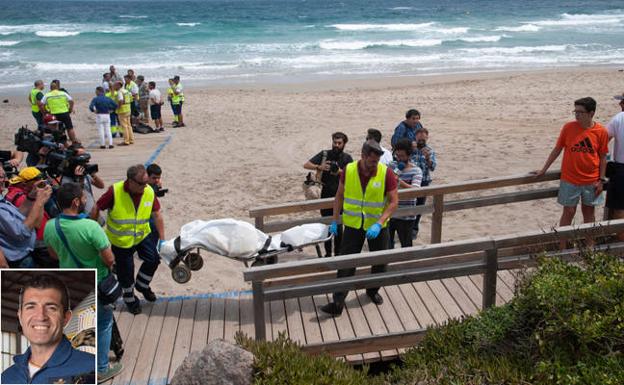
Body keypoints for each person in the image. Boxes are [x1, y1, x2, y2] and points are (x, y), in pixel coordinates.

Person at [43, 183, 123, 383]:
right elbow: (109, 259)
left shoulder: (51, 226)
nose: (86, 200)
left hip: (70, 282)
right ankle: (101, 368)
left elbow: (53, 254)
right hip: (96, 281)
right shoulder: (90, 227)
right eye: (84, 197)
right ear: (76, 202)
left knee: (78, 326)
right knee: (103, 323)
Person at [320, 140, 399, 316]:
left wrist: (379, 223)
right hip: (353, 226)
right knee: (346, 263)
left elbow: (394, 202)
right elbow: (339, 196)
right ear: (363, 156)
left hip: (377, 226)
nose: (374, 165)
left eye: (377, 161)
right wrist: (334, 220)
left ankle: (372, 291)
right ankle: (338, 302)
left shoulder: (386, 173)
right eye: (372, 161)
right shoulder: (348, 170)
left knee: (380, 262)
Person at [533, 97, 609, 248]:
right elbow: (557, 149)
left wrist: (601, 179)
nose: (577, 115)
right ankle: (563, 247)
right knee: (568, 211)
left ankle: (589, 246)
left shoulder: (601, 131)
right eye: (575, 111)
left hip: (591, 180)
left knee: (589, 213)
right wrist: (544, 169)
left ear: (591, 113)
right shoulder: (568, 128)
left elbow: (603, 157)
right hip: (570, 179)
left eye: (580, 112)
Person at [92, 164, 165, 314]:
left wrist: (162, 240)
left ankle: (142, 285)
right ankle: (129, 297)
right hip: (121, 240)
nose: (145, 186)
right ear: (130, 181)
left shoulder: (149, 191)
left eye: (146, 183)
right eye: (141, 183)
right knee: (126, 271)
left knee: (154, 259)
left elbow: (157, 214)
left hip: (141, 235)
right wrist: (94, 228)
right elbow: (97, 207)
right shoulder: (115, 191)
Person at [1, 274, 95, 384]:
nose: (41, 316)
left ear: (66, 318)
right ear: (20, 317)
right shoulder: (7, 377)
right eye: (31, 307)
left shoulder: (89, 368)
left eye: (51, 308)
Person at [303, 132, 353, 257]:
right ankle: (327, 253)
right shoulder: (325, 154)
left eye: (339, 143)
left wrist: (340, 172)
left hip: (341, 196)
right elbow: (306, 165)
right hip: (325, 195)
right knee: (326, 225)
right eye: (334, 142)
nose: (336, 145)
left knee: (339, 226)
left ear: (344, 144)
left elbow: (352, 176)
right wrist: (319, 166)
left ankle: (338, 252)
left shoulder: (347, 158)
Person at [0, 167, 51, 268]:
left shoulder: (8, 195)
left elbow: (18, 216)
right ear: (25, 183)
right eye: (1, 177)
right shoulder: (19, 198)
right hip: (20, 260)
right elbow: (23, 231)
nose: (5, 180)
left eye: (4, 176)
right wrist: (39, 201)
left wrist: (31, 197)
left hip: (26, 252)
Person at [388, 138, 422, 248]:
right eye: (397, 155)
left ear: (409, 155)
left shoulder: (416, 170)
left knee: (406, 244)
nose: (399, 159)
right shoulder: (391, 166)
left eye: (402, 156)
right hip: (389, 212)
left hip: (406, 214)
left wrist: (400, 182)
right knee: (387, 245)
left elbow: (415, 191)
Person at [60, 145, 106, 222]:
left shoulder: (85, 172)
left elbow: (101, 185)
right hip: (81, 219)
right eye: (81, 156)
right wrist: (79, 180)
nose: (84, 159)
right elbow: (75, 198)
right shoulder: (66, 179)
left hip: (93, 216)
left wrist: (92, 174)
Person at [411, 127, 436, 238]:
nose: (421, 140)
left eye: (423, 138)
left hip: (424, 182)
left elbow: (432, 168)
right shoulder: (410, 149)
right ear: (415, 137)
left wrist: (427, 158)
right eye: (419, 137)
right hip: (410, 181)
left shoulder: (429, 151)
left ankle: (414, 229)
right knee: (409, 204)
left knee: (420, 205)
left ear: (427, 138)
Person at [606, 93, 624, 240]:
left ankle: (621, 246)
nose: (620, 104)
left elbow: (603, 140)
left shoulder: (619, 119)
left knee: (620, 208)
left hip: (621, 168)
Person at [113, 81, 134, 146]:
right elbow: (131, 99)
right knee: (129, 125)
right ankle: (131, 139)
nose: (114, 87)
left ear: (119, 85)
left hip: (122, 110)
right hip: (128, 109)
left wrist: (117, 108)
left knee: (124, 126)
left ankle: (126, 141)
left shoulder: (120, 92)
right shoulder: (126, 91)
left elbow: (121, 100)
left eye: (115, 85)